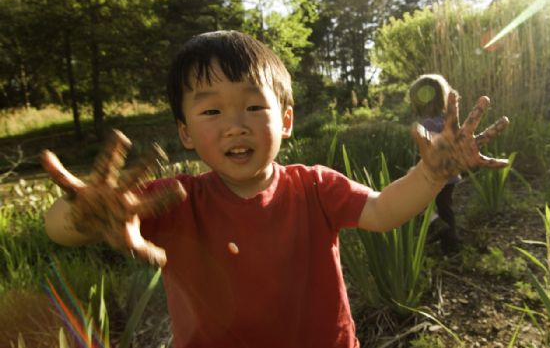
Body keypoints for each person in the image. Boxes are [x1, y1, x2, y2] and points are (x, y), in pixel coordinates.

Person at [42, 30, 510, 348]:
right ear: (184, 132)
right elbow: (59, 230)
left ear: (285, 121)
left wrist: (430, 175)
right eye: (211, 112)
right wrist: (85, 214)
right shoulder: (173, 198)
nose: (235, 126)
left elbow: (383, 211)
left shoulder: (314, 187)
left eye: (253, 107)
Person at [409, 74, 462, 253]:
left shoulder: (428, 124)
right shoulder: (446, 120)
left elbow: (428, 153)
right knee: (446, 207)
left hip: (435, 176)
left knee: (418, 204)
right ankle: (451, 244)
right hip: (450, 175)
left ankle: (438, 228)